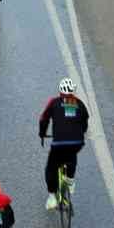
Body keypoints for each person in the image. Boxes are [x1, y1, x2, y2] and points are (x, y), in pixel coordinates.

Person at [38, 78, 89, 210]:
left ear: (60, 92)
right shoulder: (80, 104)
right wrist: (80, 132)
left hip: (59, 142)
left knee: (50, 168)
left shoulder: (54, 102)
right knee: (72, 153)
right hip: (77, 141)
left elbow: (44, 119)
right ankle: (70, 180)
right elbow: (85, 121)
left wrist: (42, 134)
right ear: (73, 91)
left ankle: (52, 197)